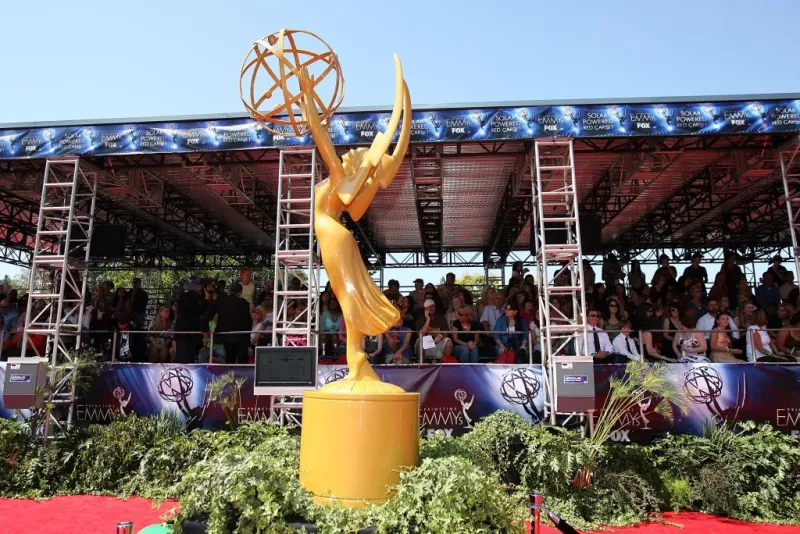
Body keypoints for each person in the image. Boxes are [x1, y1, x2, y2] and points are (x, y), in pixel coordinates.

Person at [215, 282, 251, 364]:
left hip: (226, 336)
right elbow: (248, 321)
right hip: (241, 337)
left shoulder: (222, 302)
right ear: (240, 292)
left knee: (229, 360)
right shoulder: (243, 303)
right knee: (242, 361)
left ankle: (229, 376)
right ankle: (243, 376)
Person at [416, 298, 452, 363]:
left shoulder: (441, 318)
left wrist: (440, 336)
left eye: (433, 306)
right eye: (429, 307)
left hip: (438, 342)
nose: (432, 308)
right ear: (425, 309)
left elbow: (446, 333)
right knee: (419, 342)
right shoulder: (420, 319)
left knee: (448, 342)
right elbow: (420, 335)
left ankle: (445, 365)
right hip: (426, 344)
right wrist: (428, 319)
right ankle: (423, 365)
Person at [127, 278, 149, 362]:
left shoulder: (144, 293)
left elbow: (143, 304)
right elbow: (128, 303)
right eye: (133, 282)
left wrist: (136, 312)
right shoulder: (129, 292)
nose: (135, 284)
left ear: (140, 283)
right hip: (129, 315)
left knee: (138, 331)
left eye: (136, 282)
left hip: (139, 315)